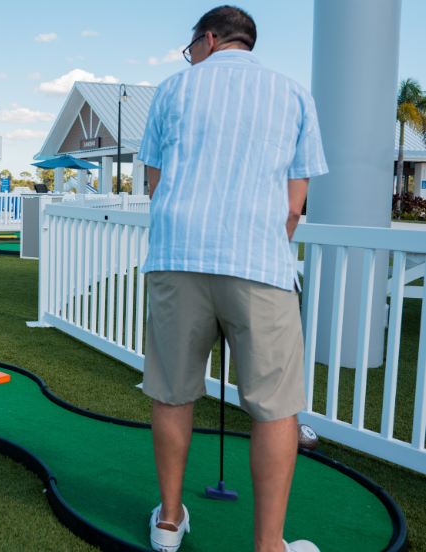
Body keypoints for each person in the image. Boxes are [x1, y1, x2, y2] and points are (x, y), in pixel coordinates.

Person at [138, 6, 327, 552]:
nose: (189, 57)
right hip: (259, 262)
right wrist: (267, 239)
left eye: (191, 47)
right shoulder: (293, 93)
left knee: (173, 394)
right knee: (275, 406)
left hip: (177, 256)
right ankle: (269, 545)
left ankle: (170, 522)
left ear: (210, 39)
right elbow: (295, 202)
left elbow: (154, 182)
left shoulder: (173, 90)